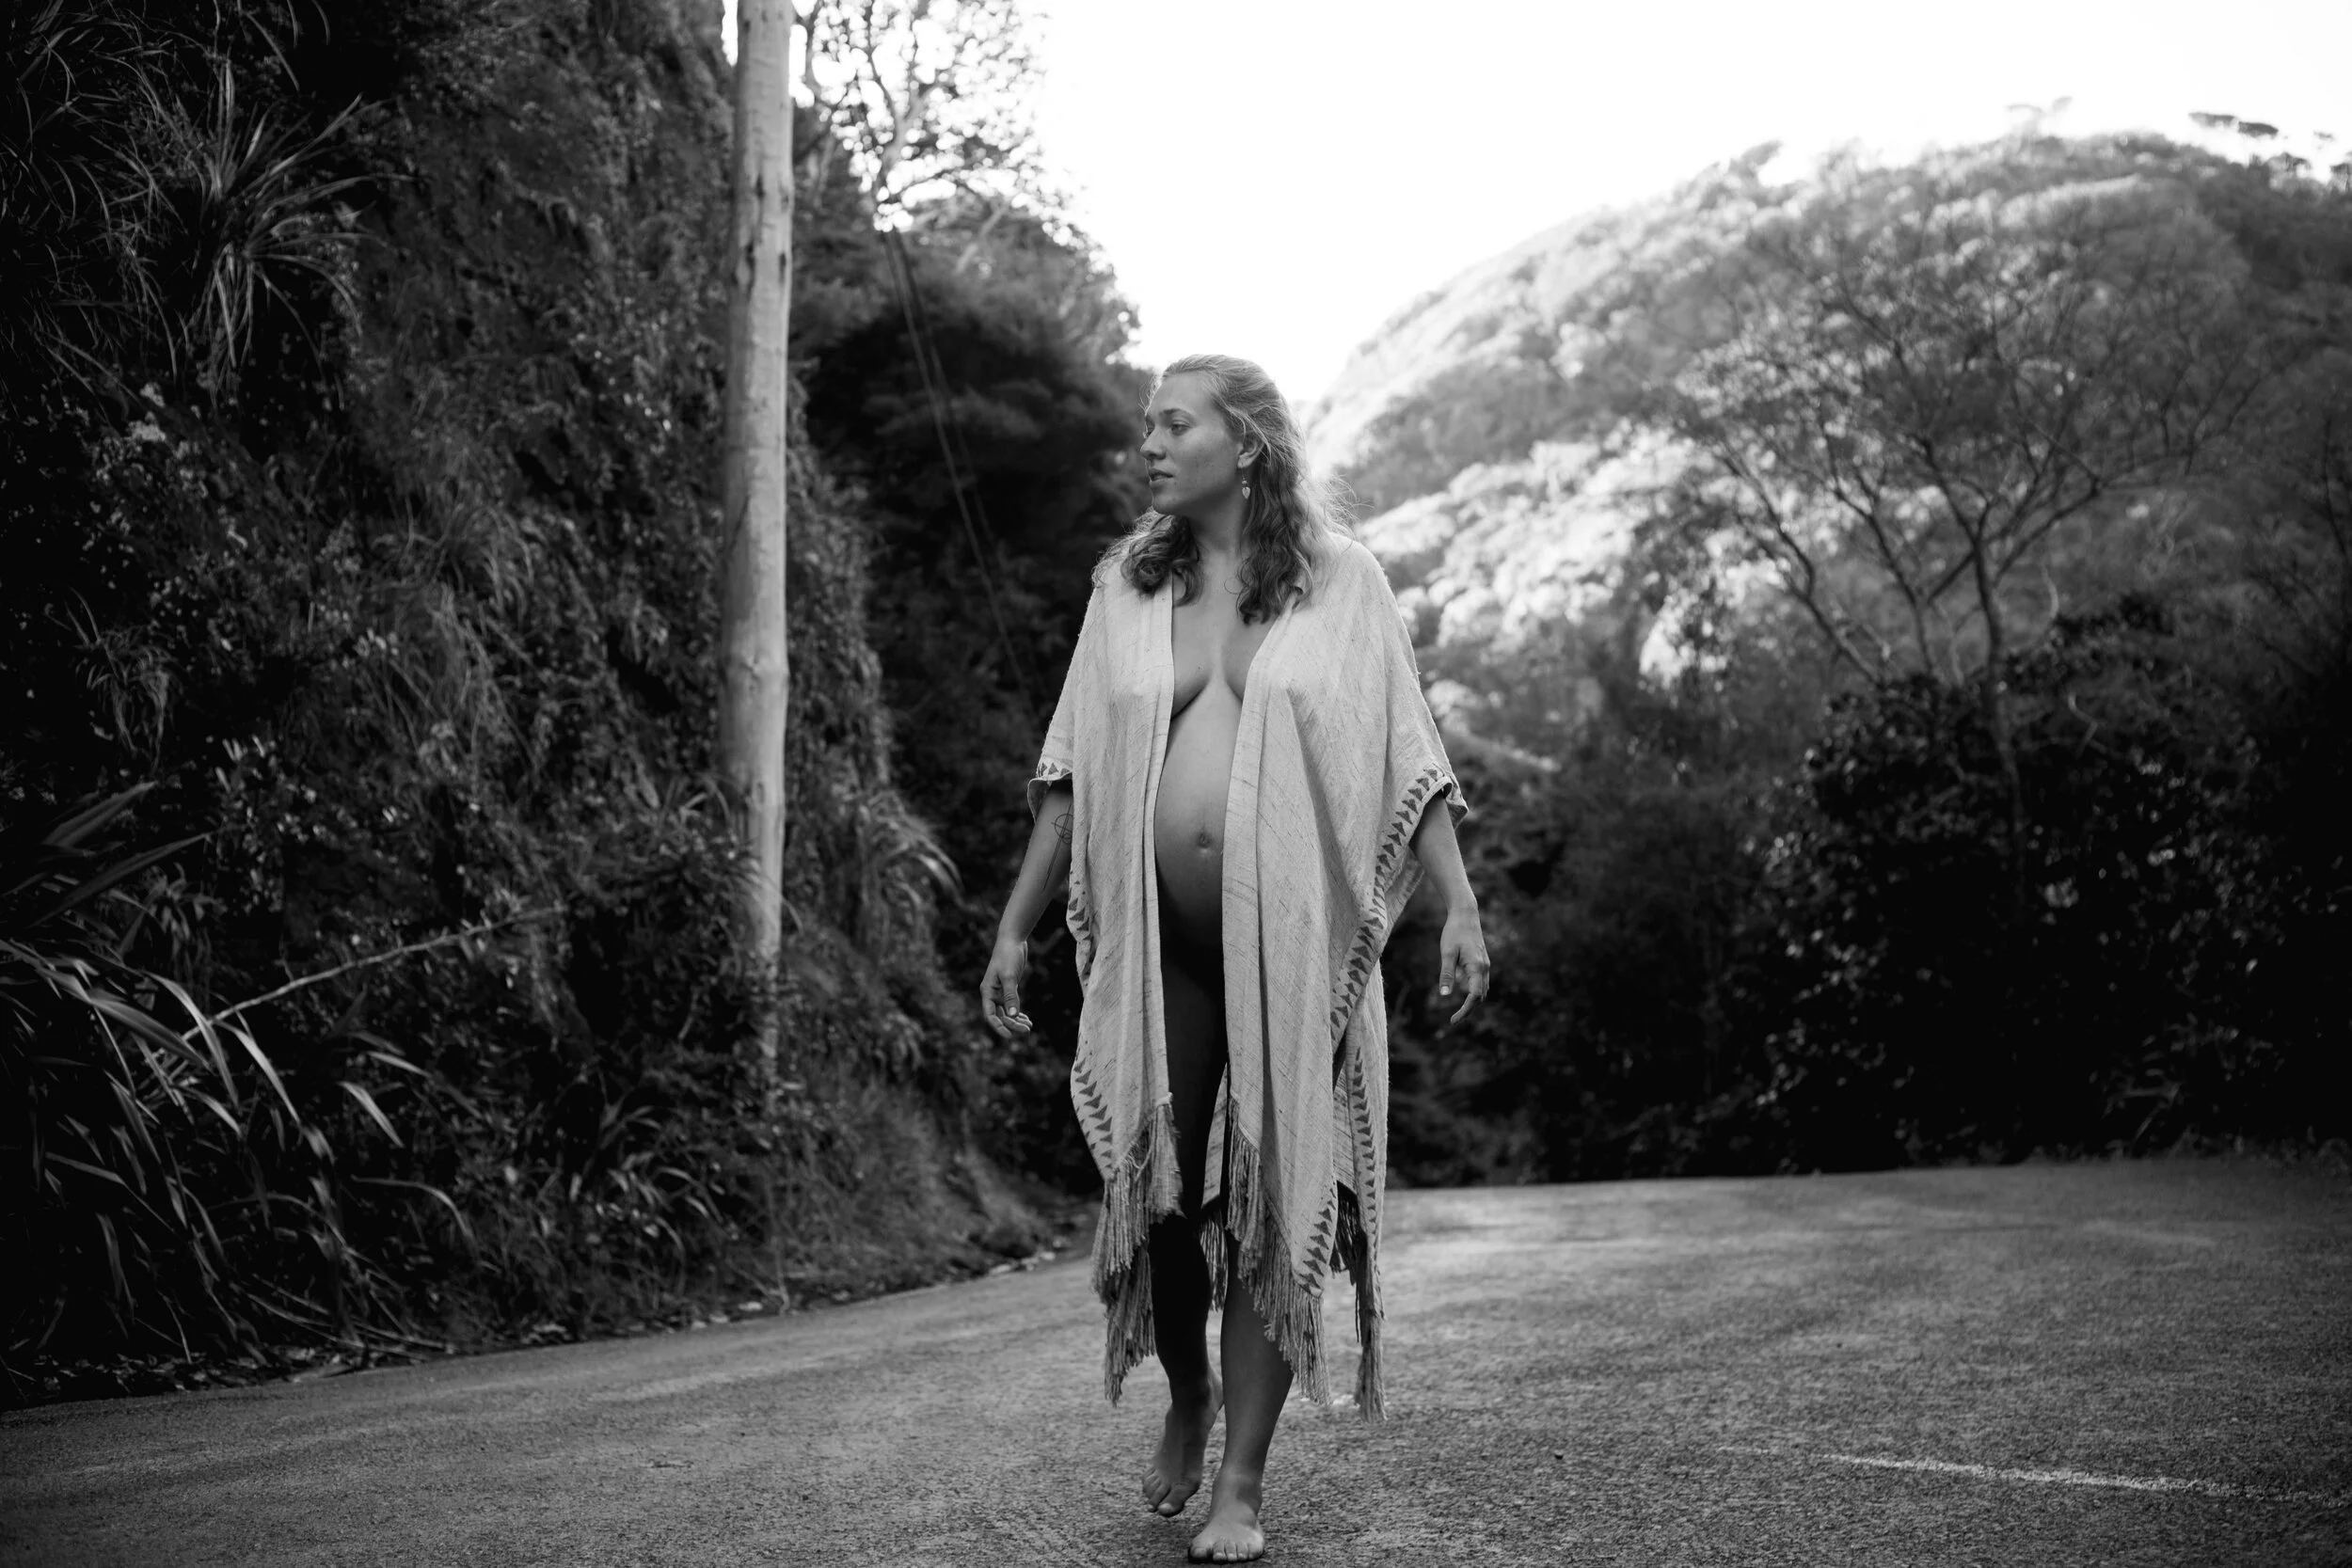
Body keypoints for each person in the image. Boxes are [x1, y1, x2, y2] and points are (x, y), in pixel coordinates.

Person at [979, 353, 1488, 1563]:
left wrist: (1459, 905)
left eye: (1173, 423)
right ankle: (1187, 1391)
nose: (1147, 444)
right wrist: (1015, 922)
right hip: (1162, 946)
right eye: (1145, 425)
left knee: (1267, 1196)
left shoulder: (1342, 584)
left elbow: (1402, 754)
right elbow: (1068, 774)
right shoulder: (1126, 586)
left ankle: (1242, 1481)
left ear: (1245, 441)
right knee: (1159, 1201)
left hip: (1287, 949)